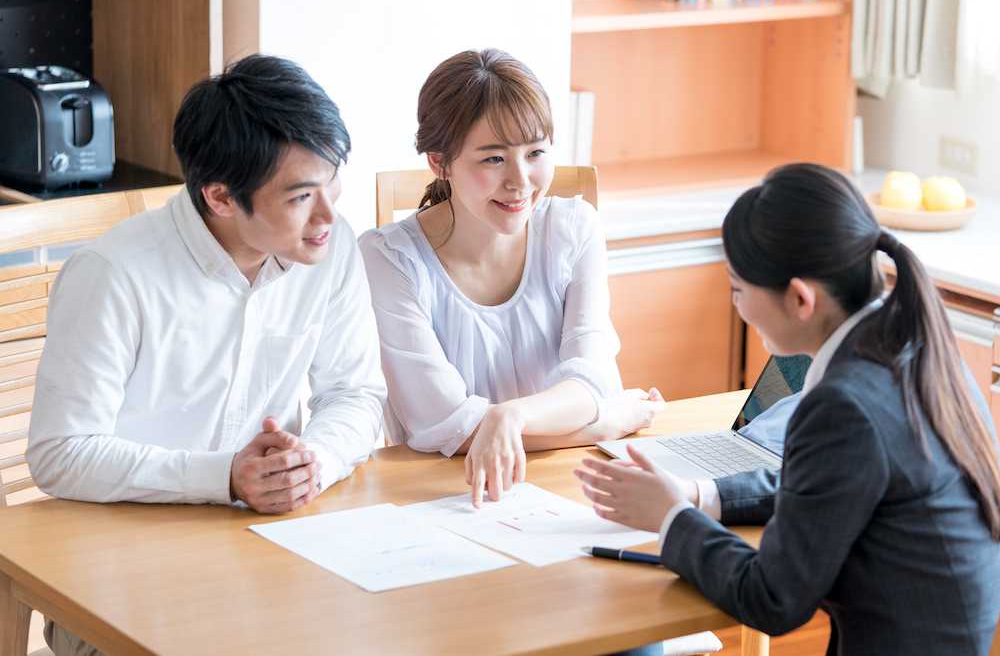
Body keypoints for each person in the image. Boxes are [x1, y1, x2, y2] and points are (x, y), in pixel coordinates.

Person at [27, 55, 386, 656]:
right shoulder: (114, 274)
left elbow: (356, 393)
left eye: (333, 183)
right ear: (220, 197)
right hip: (123, 574)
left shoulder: (329, 245)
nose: (328, 215)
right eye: (301, 196)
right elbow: (61, 454)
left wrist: (313, 463)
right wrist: (225, 476)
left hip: (272, 553)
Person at [577, 163, 1000, 656]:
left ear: (800, 298)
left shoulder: (844, 404)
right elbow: (825, 486)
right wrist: (700, 494)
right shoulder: (911, 339)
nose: (734, 302)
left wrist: (670, 518)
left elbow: (772, 598)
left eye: (737, 287)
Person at [359, 49, 664, 508]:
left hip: (571, 485)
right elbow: (441, 426)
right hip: (445, 495)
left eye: (536, 152)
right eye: (493, 159)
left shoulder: (573, 228)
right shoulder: (388, 258)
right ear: (440, 163)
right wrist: (602, 425)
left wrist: (509, 417)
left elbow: (594, 381)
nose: (521, 181)